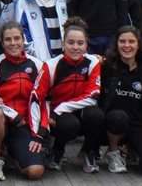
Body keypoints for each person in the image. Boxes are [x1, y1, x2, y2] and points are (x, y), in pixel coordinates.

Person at [0, 21, 45, 181]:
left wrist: (39, 133)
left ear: (23, 40)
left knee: (35, 171)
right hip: (2, 121)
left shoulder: (37, 65)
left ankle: (13, 153)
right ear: (2, 42)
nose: (13, 43)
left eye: (17, 38)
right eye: (8, 39)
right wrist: (10, 113)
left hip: (24, 125)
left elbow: (44, 100)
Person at [32, 18, 104, 173]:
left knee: (96, 114)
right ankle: (57, 150)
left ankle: (88, 151)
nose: (75, 47)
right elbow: (37, 97)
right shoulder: (50, 65)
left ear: (86, 45)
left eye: (80, 43)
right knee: (70, 124)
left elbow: (93, 96)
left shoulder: (93, 62)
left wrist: (60, 109)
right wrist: (41, 129)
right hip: (58, 119)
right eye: (71, 43)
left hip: (76, 111)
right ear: (63, 44)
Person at [100, 26, 142, 177]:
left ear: (138, 44)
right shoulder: (106, 66)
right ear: (116, 44)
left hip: (138, 124)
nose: (127, 45)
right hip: (112, 123)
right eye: (122, 41)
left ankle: (131, 148)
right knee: (118, 117)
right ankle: (113, 151)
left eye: (131, 41)